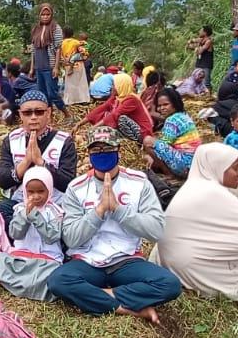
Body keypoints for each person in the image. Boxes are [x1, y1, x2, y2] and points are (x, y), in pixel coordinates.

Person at [47, 126, 181, 323]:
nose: (102, 154)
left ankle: (101, 295)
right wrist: (99, 211)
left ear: (118, 149)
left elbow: (156, 230)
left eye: (107, 149)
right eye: (96, 150)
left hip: (126, 260)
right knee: (58, 281)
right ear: (89, 153)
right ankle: (131, 309)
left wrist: (119, 210)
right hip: (87, 261)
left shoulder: (138, 182)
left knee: (169, 285)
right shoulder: (76, 188)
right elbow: (71, 238)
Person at [151, 144, 238, 300]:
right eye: (235, 169)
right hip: (187, 268)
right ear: (218, 167)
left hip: (174, 261)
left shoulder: (199, 185)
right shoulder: (211, 192)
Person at [0, 90, 78, 226]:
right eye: (28, 113)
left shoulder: (64, 141)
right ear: (20, 115)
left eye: (39, 112)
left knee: (71, 225)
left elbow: (68, 183)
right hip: (20, 202)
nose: (33, 117)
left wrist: (41, 163)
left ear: (48, 113)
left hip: (55, 204)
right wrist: (26, 162)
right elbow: (3, 181)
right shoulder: (11, 140)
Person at [0, 167, 63, 302]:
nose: (36, 196)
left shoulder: (55, 211)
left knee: (54, 275)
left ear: (49, 190)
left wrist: (35, 217)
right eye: (31, 192)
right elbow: (15, 234)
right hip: (22, 258)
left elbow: (52, 237)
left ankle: (22, 285)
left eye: (41, 191)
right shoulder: (20, 209)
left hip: (46, 260)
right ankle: (30, 285)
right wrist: (24, 216)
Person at [76, 73, 153, 143]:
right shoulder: (117, 98)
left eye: (114, 85)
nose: (112, 87)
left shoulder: (132, 99)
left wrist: (91, 129)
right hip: (127, 130)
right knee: (106, 117)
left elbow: (114, 115)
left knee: (121, 119)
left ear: (121, 86)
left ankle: (130, 141)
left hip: (142, 133)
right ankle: (111, 136)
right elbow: (102, 108)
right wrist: (79, 124)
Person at [144, 87, 201, 178]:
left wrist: (149, 155)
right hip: (193, 164)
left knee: (148, 141)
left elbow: (164, 144)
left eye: (166, 104)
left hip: (185, 165)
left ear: (174, 104)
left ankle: (168, 174)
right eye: (159, 106)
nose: (161, 108)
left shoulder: (172, 120)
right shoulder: (183, 115)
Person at [28, 4, 65, 112]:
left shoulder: (55, 28)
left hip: (49, 65)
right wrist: (32, 67)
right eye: (43, 14)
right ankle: (50, 115)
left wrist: (56, 67)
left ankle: (66, 113)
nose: (45, 17)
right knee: (43, 94)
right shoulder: (36, 29)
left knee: (52, 93)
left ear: (51, 15)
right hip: (39, 65)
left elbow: (58, 48)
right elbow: (33, 49)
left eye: (48, 14)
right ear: (39, 15)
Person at [188, 25, 215, 90]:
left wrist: (195, 47)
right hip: (199, 64)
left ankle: (208, 97)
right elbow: (191, 44)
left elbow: (199, 51)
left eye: (201, 31)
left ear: (205, 33)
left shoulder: (208, 41)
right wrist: (191, 42)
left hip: (206, 65)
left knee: (206, 83)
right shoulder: (201, 40)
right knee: (195, 80)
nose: (199, 32)